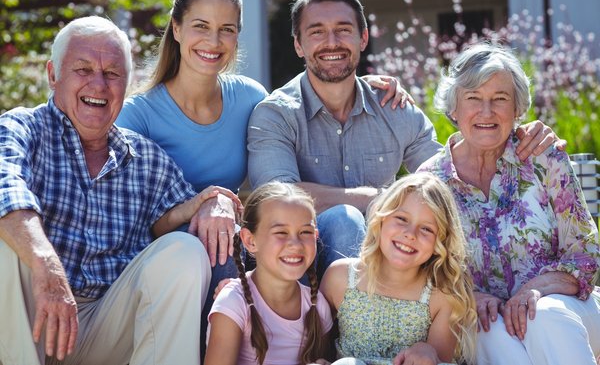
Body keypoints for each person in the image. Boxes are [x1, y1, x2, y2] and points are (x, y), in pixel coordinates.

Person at [247, 0, 562, 280]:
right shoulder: (276, 114)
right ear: (299, 45)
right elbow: (275, 200)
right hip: (297, 262)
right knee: (344, 219)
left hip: (393, 262)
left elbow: (448, 179)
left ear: (363, 38)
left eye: (343, 30)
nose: (332, 43)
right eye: (317, 32)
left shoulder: (394, 108)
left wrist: (514, 134)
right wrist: (373, 199)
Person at [116, 0, 414, 293]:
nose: (213, 41)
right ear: (176, 28)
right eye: (200, 26)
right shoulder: (136, 115)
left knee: (314, 229)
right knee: (218, 240)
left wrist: (355, 83)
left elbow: (302, 99)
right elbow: (132, 221)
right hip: (172, 254)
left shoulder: (249, 97)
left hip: (234, 236)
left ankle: (330, 335)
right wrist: (200, 205)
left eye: (227, 29)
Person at [0, 16, 241, 365]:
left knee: (184, 250)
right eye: (83, 69)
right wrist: (48, 268)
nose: (98, 85)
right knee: (7, 234)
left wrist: (212, 203)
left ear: (127, 85)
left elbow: (183, 209)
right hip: (27, 319)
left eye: (112, 74)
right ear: (53, 75)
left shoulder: (146, 160)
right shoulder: (20, 127)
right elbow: (5, 184)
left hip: (105, 324)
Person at [418, 42, 600, 365]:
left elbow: (587, 253)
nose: (486, 112)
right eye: (473, 98)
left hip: (565, 310)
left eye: (499, 99)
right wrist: (468, 297)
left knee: (543, 317)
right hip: (484, 321)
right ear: (453, 109)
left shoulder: (544, 157)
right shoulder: (431, 182)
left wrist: (536, 289)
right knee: (487, 333)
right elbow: (421, 275)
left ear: (517, 108)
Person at [319, 173, 477, 365]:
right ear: (381, 218)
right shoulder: (340, 277)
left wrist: (427, 351)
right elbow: (317, 350)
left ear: (441, 240)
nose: (410, 234)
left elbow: (440, 359)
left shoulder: (442, 295)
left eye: (426, 229)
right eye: (401, 218)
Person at [205, 182, 333, 365]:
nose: (295, 244)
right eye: (281, 232)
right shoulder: (233, 302)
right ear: (250, 241)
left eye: (305, 232)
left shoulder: (317, 305)